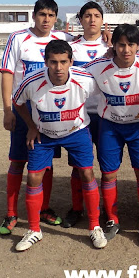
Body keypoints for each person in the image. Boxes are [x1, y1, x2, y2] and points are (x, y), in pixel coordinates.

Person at [83, 24, 139, 247]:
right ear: (113, 45)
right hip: (110, 128)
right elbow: (71, 75)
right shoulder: (98, 66)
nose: (126, 50)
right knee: (108, 174)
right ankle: (112, 219)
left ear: (138, 46)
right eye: (121, 44)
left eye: (131, 44)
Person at [12, 40, 106, 251]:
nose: (58, 67)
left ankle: (94, 226)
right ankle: (34, 230)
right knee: (34, 177)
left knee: (87, 173)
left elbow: (108, 87)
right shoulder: (32, 81)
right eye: (53, 62)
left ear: (71, 61)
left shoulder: (85, 79)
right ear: (45, 62)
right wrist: (31, 126)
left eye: (63, 62)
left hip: (77, 132)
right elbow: (17, 102)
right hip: (44, 134)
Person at [0, 0, 73, 235]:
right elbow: (7, 73)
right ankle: (11, 213)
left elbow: (88, 46)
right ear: (34, 16)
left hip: (51, 111)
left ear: (56, 18)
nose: (46, 19)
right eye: (42, 14)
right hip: (23, 109)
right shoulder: (18, 38)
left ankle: (44, 208)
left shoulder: (62, 39)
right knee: (18, 160)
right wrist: (7, 110)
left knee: (45, 163)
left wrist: (107, 39)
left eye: (51, 15)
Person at [61, 1, 110, 228]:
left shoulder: (112, 46)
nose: (92, 19)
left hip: (106, 114)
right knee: (79, 166)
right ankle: (77, 208)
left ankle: (107, 210)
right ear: (80, 20)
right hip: (78, 114)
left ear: (102, 20)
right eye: (87, 15)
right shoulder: (71, 47)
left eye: (96, 15)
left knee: (107, 165)